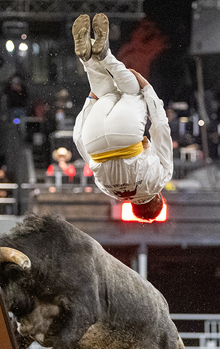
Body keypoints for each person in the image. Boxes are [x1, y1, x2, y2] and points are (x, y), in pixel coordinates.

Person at [72, 13, 173, 221]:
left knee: (133, 90)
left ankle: (105, 54)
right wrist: (90, 103)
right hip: (94, 140)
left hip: (127, 138)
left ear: (158, 199)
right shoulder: (108, 191)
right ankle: (88, 58)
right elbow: (78, 141)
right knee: (105, 90)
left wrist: (149, 91)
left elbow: (161, 128)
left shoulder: (158, 182)